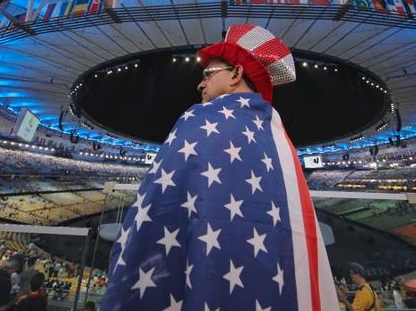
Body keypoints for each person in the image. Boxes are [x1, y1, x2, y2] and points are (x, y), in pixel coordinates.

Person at [101, 24, 339, 310]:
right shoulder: (277, 136)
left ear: (236, 73)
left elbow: (154, 209)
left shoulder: (198, 119)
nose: (201, 84)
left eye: (207, 75)